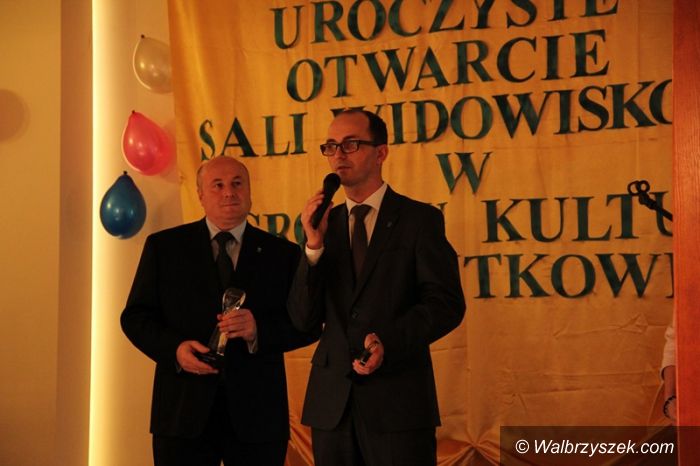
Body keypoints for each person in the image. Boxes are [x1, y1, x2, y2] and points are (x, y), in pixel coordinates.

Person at [288, 109, 466, 466]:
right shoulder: (321, 225)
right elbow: (302, 319)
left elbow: (445, 303)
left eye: (350, 144)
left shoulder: (419, 220)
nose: (339, 154)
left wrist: (389, 341)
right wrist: (313, 248)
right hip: (332, 407)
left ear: (381, 152)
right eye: (331, 146)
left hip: (398, 402)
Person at [121, 156, 316, 466]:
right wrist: (175, 350)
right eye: (218, 185)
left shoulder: (283, 254)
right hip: (182, 414)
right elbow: (136, 317)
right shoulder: (165, 248)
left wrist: (258, 331)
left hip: (258, 416)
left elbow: (308, 325)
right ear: (200, 194)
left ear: (250, 192)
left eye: (237, 183)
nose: (229, 192)